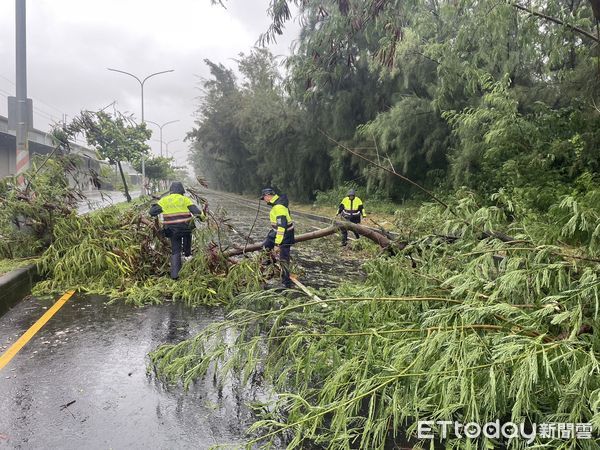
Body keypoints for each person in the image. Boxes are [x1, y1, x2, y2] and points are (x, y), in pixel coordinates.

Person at [149, 181, 205, 280]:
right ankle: (189, 261)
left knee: (175, 251)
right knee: (187, 248)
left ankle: (175, 276)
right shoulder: (185, 199)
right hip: (185, 229)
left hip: (171, 231)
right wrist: (204, 218)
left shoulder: (164, 200)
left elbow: (152, 212)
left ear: (171, 191)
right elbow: (197, 213)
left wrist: (157, 205)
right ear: (181, 191)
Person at [260, 187, 295, 288]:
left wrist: (277, 244)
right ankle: (270, 262)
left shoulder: (278, 207)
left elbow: (282, 227)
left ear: (268, 196)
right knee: (265, 247)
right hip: (277, 233)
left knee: (284, 260)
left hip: (285, 236)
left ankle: (286, 283)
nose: (264, 200)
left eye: (264, 198)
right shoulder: (277, 204)